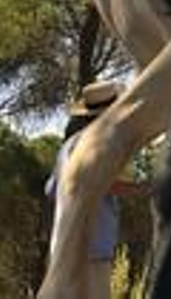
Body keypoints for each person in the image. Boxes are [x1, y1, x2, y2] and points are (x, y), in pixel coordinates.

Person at [45, 80, 146, 298]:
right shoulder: (97, 144)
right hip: (93, 248)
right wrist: (148, 188)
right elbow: (107, 184)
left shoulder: (67, 146)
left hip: (62, 247)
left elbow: (51, 190)